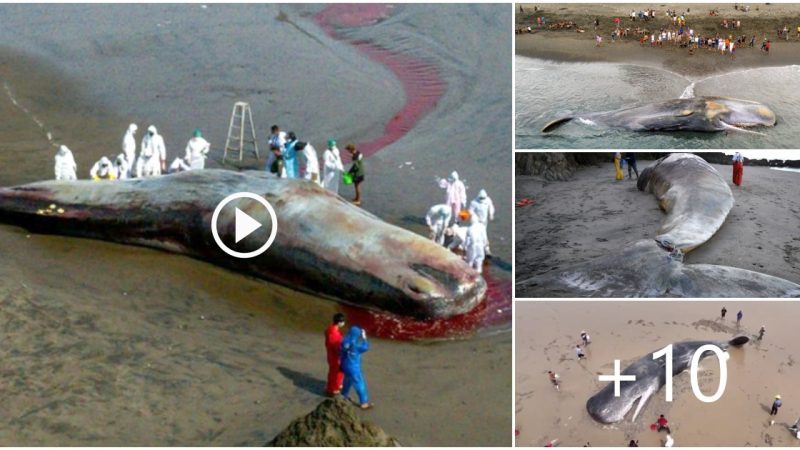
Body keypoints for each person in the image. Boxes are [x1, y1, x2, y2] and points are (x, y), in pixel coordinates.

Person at [341, 326, 371, 409]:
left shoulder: (345, 342)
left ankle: (343, 396)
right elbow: (366, 347)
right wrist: (364, 338)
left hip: (345, 365)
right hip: (354, 368)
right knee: (360, 384)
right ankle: (364, 402)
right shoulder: (356, 346)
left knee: (347, 381)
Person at [325, 313, 346, 396]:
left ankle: (336, 385)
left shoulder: (330, 329)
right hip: (335, 356)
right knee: (335, 372)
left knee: (337, 371)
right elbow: (336, 346)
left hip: (332, 354)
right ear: (339, 322)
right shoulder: (334, 333)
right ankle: (332, 389)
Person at [469, 189, 495, 254]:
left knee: (483, 234)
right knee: (478, 235)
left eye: (483, 198)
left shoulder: (488, 200)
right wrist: (476, 218)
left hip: (484, 221)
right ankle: (484, 249)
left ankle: (485, 249)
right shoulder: (474, 202)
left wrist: (491, 214)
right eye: (481, 198)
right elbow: (470, 211)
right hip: (476, 222)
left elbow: (491, 207)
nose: (482, 199)